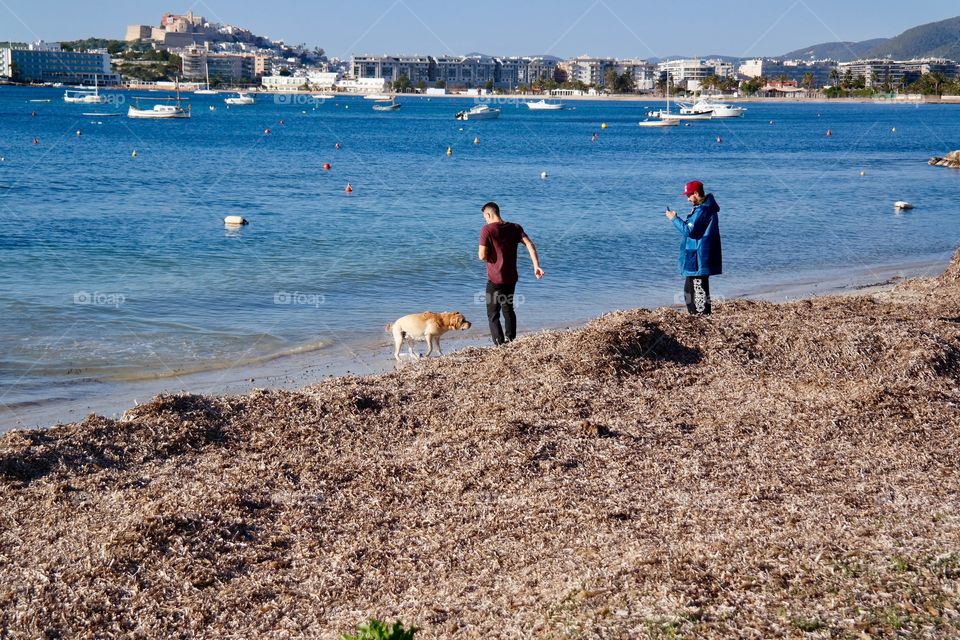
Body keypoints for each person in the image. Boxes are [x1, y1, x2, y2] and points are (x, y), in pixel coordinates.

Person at [478, 202, 544, 345]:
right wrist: (536, 266)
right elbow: (530, 245)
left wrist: (490, 257)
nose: (485, 220)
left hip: (495, 279)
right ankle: (511, 340)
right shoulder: (515, 227)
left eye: (485, 217)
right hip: (511, 278)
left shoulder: (487, 229)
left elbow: (481, 256)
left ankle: (500, 344)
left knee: (493, 314)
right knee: (508, 308)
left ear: (488, 214)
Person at [666, 180, 722, 315]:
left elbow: (689, 231)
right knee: (688, 292)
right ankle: (696, 316)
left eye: (689, 196)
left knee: (697, 292)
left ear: (696, 193)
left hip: (699, 257)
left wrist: (674, 218)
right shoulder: (703, 208)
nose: (688, 199)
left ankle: (702, 318)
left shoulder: (703, 210)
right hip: (696, 255)